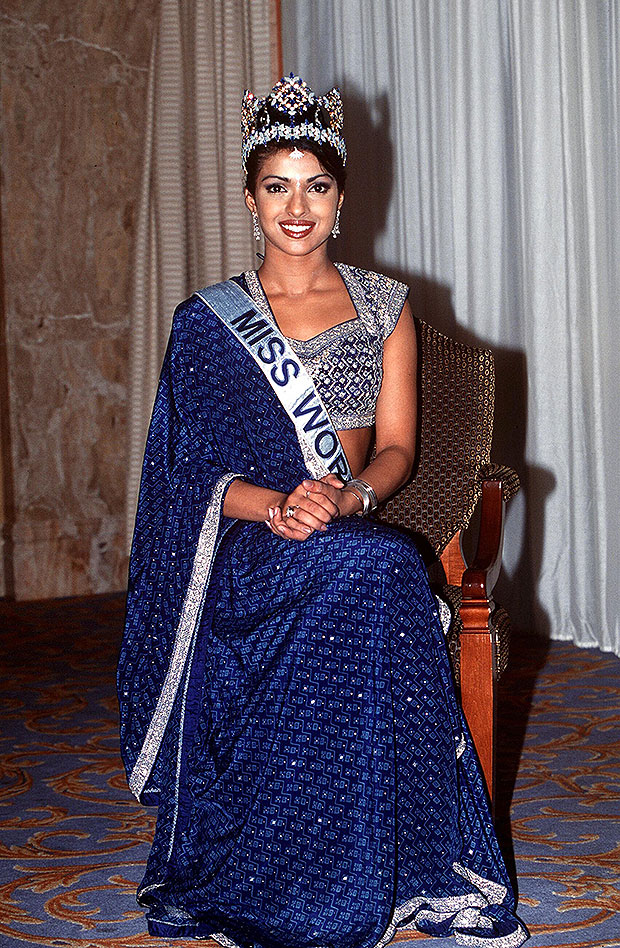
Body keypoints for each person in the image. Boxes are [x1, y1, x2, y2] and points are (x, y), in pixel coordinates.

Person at [118, 75, 528, 948]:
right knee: (378, 569)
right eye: (277, 186)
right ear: (250, 198)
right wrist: (279, 507)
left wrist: (348, 494)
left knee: (372, 562)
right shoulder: (205, 324)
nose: (295, 207)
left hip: (347, 521)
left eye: (315, 186)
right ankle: (300, 875)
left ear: (341, 198)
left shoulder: (386, 308)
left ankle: (399, 860)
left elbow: (399, 448)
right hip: (249, 547)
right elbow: (188, 478)